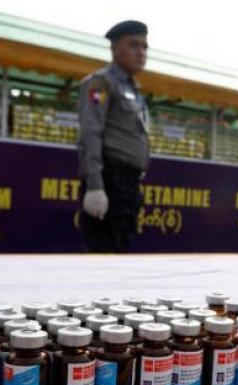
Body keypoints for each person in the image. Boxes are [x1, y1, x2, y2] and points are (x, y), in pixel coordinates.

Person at [77, 20, 150, 252]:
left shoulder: (132, 88)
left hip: (127, 183)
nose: (141, 53)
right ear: (114, 49)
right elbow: (91, 131)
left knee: (119, 252)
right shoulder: (102, 83)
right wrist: (95, 186)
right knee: (105, 255)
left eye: (145, 47)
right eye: (134, 45)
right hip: (109, 180)